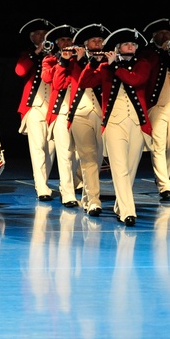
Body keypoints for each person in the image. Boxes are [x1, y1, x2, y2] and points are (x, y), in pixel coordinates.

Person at [80, 28, 150, 226]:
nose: (131, 47)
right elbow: (85, 81)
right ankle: (128, 211)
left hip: (137, 122)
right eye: (127, 44)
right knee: (119, 167)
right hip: (113, 122)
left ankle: (121, 204)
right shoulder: (105, 66)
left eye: (133, 45)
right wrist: (94, 62)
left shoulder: (142, 64)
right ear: (118, 48)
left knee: (130, 167)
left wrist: (115, 66)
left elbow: (134, 79)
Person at [54, 23, 111, 219]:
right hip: (80, 112)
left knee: (98, 158)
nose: (99, 43)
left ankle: (88, 197)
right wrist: (65, 61)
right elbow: (58, 84)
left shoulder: (108, 59)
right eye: (95, 40)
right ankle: (94, 201)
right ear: (86, 44)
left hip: (103, 114)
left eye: (101, 40)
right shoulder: (73, 60)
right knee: (87, 158)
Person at [139, 18, 170, 201]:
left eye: (168, 34)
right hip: (156, 106)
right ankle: (164, 185)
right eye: (162, 34)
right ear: (154, 36)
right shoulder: (148, 53)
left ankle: (164, 176)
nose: (166, 36)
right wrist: (162, 53)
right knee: (158, 146)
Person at [14, 17, 58, 201]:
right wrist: (36, 53)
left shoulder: (59, 53)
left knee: (51, 148)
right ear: (32, 38)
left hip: (55, 105)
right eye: (38, 34)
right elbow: (20, 71)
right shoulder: (28, 54)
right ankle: (41, 186)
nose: (42, 37)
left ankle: (44, 180)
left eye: (45, 34)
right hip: (35, 106)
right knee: (37, 146)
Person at [40, 23, 82, 207]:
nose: (67, 43)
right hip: (61, 112)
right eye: (63, 40)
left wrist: (80, 60)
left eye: (69, 40)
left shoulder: (83, 59)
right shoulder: (50, 60)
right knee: (65, 154)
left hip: (82, 112)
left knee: (80, 155)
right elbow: (54, 82)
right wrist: (63, 61)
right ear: (57, 43)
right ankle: (68, 193)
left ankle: (76, 187)